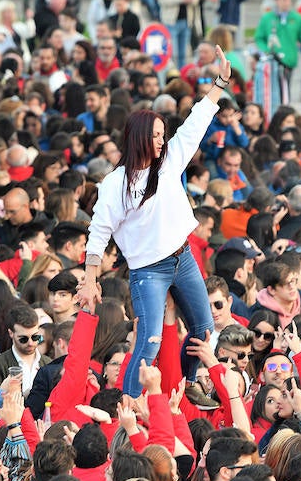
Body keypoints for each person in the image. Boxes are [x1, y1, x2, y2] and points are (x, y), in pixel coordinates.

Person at [78, 44, 232, 397]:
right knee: (148, 342)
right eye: (156, 136)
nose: (162, 142)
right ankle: (129, 405)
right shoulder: (116, 183)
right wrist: (89, 279)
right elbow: (98, 232)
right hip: (148, 270)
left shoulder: (170, 161)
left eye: (164, 135)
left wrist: (219, 84)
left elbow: (194, 124)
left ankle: (188, 383)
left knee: (204, 329)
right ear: (138, 138)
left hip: (183, 257)